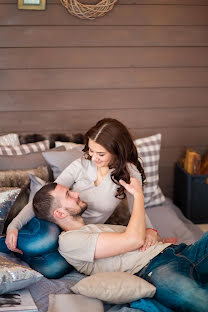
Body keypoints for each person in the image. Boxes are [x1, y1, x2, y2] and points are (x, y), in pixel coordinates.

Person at [32, 180, 208, 312]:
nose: (76, 194)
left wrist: (151, 231)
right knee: (199, 300)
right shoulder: (69, 241)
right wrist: (138, 195)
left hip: (183, 251)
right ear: (60, 213)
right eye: (68, 195)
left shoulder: (98, 227)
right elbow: (135, 240)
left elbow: (145, 235)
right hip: (156, 268)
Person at [6, 118, 158, 254]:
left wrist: (150, 231)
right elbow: (44, 200)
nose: (93, 158)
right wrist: (14, 226)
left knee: (53, 267)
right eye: (91, 150)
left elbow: (137, 209)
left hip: (83, 238)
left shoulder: (129, 173)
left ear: (117, 151)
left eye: (101, 154)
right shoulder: (81, 165)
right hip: (54, 226)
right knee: (44, 241)